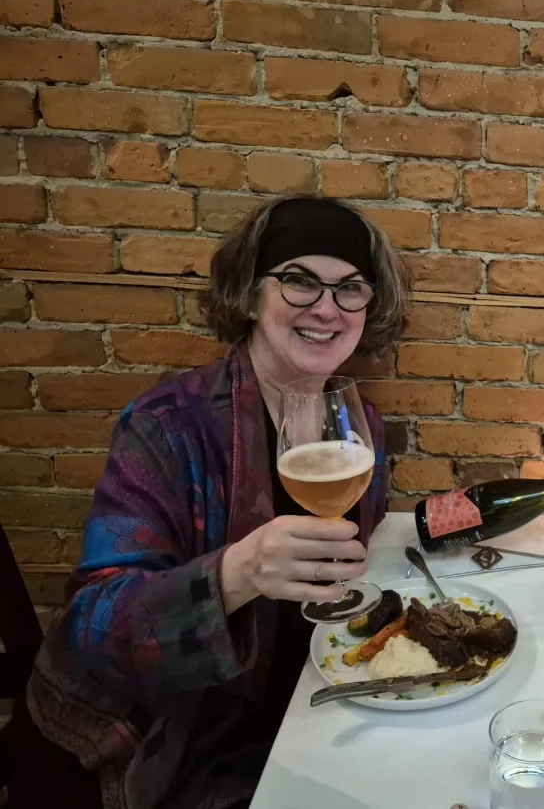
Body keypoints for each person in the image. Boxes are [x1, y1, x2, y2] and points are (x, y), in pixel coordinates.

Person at [7, 197, 409, 809]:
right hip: (146, 742)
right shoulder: (167, 426)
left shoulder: (358, 426)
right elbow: (95, 627)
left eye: (351, 288)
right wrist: (235, 574)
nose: (327, 308)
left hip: (294, 708)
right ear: (250, 295)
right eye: (299, 281)